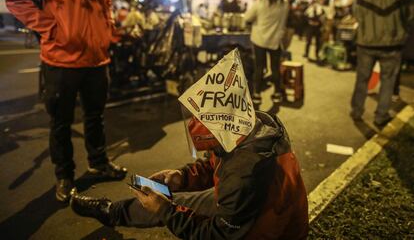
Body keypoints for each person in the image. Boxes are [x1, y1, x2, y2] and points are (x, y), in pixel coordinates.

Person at [70, 49, 309, 240]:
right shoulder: (245, 129)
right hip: (257, 216)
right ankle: (110, 211)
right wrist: (181, 178)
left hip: (268, 232)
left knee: (172, 210)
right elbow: (214, 164)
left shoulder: (244, 173)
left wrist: (165, 212)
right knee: (173, 202)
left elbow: (218, 234)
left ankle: (115, 211)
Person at [6, 0, 127, 202]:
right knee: (61, 123)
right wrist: (53, 30)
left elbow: (104, 2)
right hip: (60, 60)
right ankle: (65, 177)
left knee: (95, 117)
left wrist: (110, 32)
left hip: (97, 58)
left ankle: (98, 163)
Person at [351, 0, 414, 127]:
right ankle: (381, 116)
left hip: (366, 43)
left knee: (362, 79)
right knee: (388, 81)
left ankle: (357, 111)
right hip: (392, 45)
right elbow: (411, 16)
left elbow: (357, 14)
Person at [245, 0, 289, 105]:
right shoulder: (284, 5)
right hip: (275, 41)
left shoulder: (260, 2)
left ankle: (257, 94)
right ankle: (277, 94)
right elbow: (283, 24)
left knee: (259, 67)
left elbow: (247, 17)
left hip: (259, 40)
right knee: (275, 68)